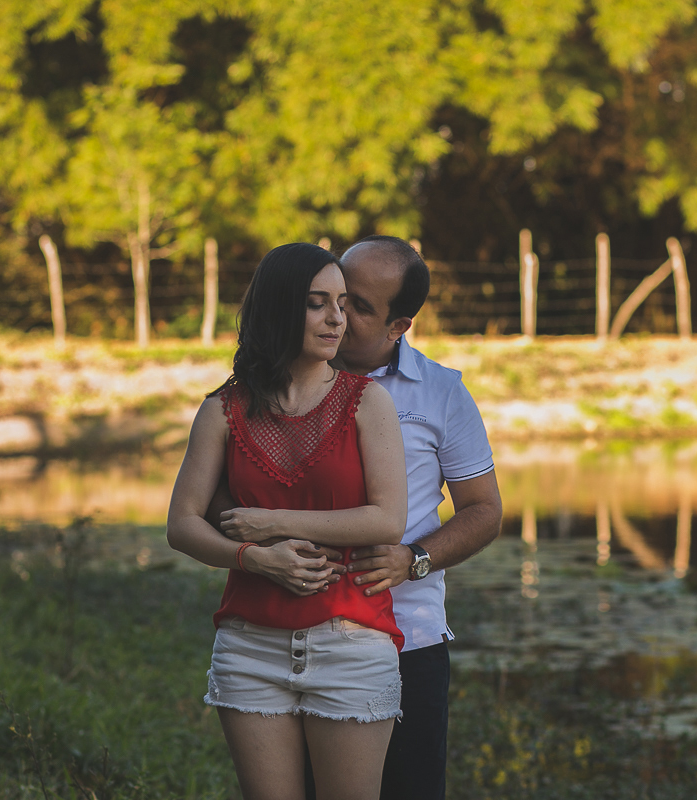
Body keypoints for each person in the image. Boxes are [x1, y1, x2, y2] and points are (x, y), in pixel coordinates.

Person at [167, 242, 409, 800]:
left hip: (351, 641)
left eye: (343, 304)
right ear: (278, 308)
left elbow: (387, 519)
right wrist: (254, 557)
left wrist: (270, 522)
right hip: (249, 647)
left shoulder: (366, 402)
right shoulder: (224, 408)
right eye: (316, 303)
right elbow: (182, 524)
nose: (336, 319)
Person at [334, 235, 503, 800]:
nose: (338, 311)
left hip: (408, 641)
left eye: (360, 305)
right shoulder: (293, 376)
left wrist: (415, 559)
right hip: (299, 630)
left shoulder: (441, 392)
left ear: (397, 326)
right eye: (337, 291)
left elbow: (483, 510)